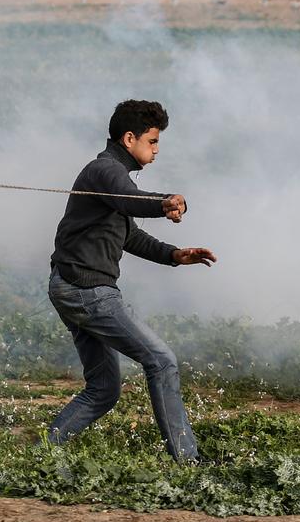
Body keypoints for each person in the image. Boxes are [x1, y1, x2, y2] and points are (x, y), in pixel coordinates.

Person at [47, 99, 217, 462]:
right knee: (162, 360)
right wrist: (165, 202)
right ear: (129, 139)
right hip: (86, 291)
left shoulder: (111, 180)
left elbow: (130, 235)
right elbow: (131, 201)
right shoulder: (104, 171)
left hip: (72, 287)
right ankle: (189, 462)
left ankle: (46, 451)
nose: (156, 150)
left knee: (105, 389)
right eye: (153, 141)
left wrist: (174, 255)